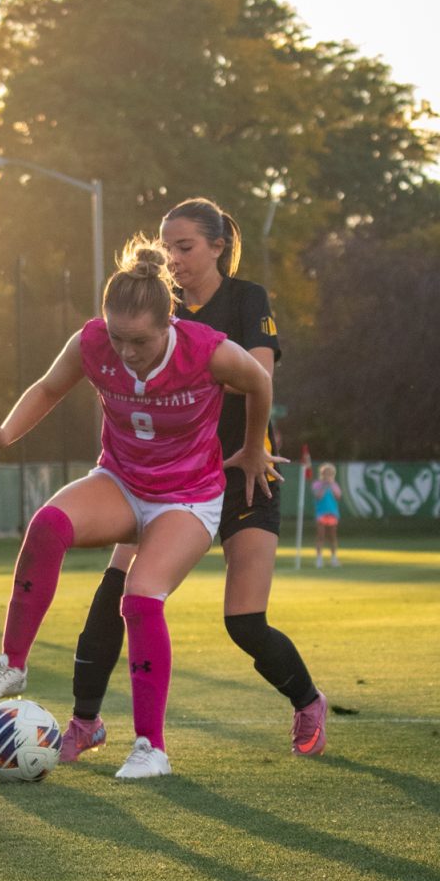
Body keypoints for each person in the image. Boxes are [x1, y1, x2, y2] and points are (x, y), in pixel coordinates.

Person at [0, 235, 282, 779]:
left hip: (188, 498)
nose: (126, 351)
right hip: (122, 481)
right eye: (117, 337)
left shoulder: (204, 348)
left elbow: (259, 380)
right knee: (48, 525)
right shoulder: (91, 343)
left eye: (139, 341)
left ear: (168, 326)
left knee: (139, 596)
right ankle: (12, 664)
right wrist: (5, 434)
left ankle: (150, 747)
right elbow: (48, 387)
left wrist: (253, 449)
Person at [60, 198, 327, 766]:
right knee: (115, 596)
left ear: (217, 247)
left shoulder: (244, 299)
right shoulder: (153, 306)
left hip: (245, 473)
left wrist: (247, 440)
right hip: (164, 476)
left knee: (245, 623)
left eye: (184, 247)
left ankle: (307, 700)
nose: (173, 259)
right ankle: (84, 723)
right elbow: (126, 362)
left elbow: (255, 378)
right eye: (168, 248)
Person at [313, 463, 342, 568]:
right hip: (321, 514)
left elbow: (338, 497)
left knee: (332, 537)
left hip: (333, 514)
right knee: (320, 536)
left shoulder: (335, 485)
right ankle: (319, 559)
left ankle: (334, 559)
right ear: (322, 474)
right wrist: (325, 486)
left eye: (330, 473)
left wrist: (331, 485)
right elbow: (318, 496)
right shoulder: (317, 484)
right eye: (326, 473)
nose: (328, 475)